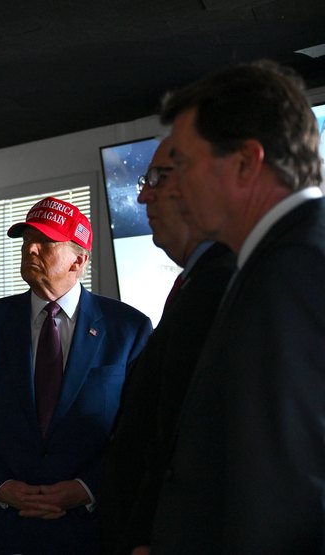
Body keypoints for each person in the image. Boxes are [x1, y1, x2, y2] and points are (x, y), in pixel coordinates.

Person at [150, 61, 325, 553]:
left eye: (182, 163)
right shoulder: (284, 259)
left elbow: (284, 492)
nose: (176, 186)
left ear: (247, 162)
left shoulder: (292, 269)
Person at [0, 196, 152, 554]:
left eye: (45, 242)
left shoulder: (128, 328)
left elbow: (140, 429)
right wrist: (2, 485)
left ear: (80, 260)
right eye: (27, 241)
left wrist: (86, 487)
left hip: (87, 528)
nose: (31, 249)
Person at [98, 138, 236, 554]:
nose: (141, 195)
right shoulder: (195, 283)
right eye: (145, 179)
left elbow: (189, 437)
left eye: (159, 177)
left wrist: (153, 537)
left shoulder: (222, 285)